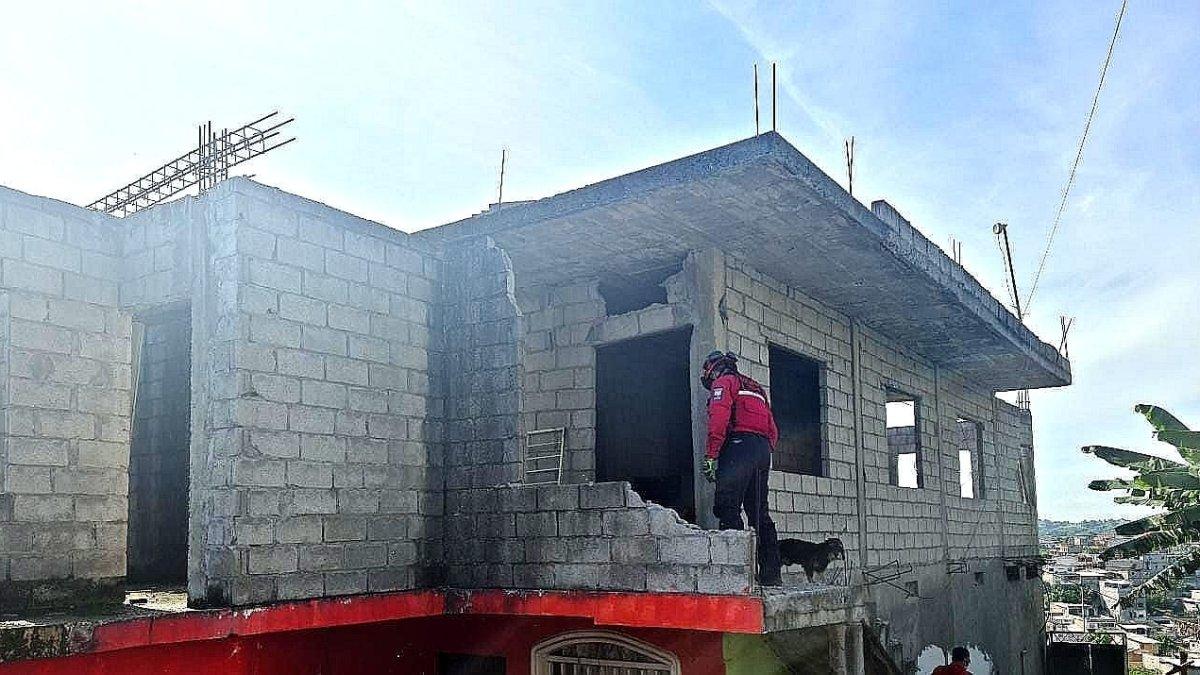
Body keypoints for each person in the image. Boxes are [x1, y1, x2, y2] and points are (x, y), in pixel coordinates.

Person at [700, 350, 782, 586]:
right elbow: (773, 430)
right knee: (759, 513)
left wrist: (711, 455)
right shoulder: (756, 388)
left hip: (738, 448)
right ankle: (771, 575)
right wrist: (763, 451)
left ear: (713, 369)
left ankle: (737, 576)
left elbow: (718, 420)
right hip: (762, 451)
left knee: (727, 507)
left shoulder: (724, 383)